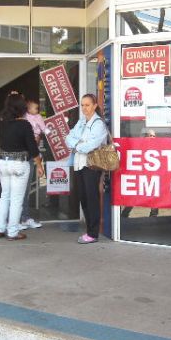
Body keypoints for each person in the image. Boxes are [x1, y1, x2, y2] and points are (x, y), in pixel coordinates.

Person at [0, 93, 45, 241]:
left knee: (5, 196)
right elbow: (32, 148)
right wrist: (39, 165)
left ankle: (0, 228)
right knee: (17, 199)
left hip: (3, 162)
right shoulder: (24, 124)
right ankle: (12, 232)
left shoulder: (2, 122)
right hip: (19, 164)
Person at [65, 94, 108, 244]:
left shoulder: (98, 124)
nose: (84, 108)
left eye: (87, 105)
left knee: (92, 199)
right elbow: (68, 138)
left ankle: (93, 233)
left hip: (91, 165)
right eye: (82, 105)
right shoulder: (81, 121)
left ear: (95, 105)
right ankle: (89, 229)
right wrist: (79, 143)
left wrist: (77, 144)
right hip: (78, 164)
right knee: (83, 198)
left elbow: (92, 145)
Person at [20, 99, 51, 230]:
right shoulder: (23, 120)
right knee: (21, 191)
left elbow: (42, 130)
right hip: (23, 158)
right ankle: (21, 219)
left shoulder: (35, 118)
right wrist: (39, 165)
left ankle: (23, 218)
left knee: (22, 191)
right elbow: (32, 145)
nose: (36, 111)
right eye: (33, 108)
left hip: (26, 157)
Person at [121, 129, 159, 218]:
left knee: (154, 195)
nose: (152, 138)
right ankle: (124, 214)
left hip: (152, 176)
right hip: (140, 175)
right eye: (150, 135)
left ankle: (153, 215)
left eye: (154, 136)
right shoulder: (138, 146)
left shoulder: (157, 147)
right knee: (134, 196)